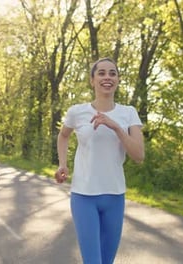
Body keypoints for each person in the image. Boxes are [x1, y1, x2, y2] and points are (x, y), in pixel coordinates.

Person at [55, 57, 145, 264]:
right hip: (84, 195)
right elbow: (63, 136)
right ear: (92, 80)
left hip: (115, 196)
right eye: (101, 73)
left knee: (106, 261)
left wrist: (115, 127)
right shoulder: (77, 112)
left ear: (118, 80)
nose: (107, 77)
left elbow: (139, 155)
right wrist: (63, 164)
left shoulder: (128, 113)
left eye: (112, 73)